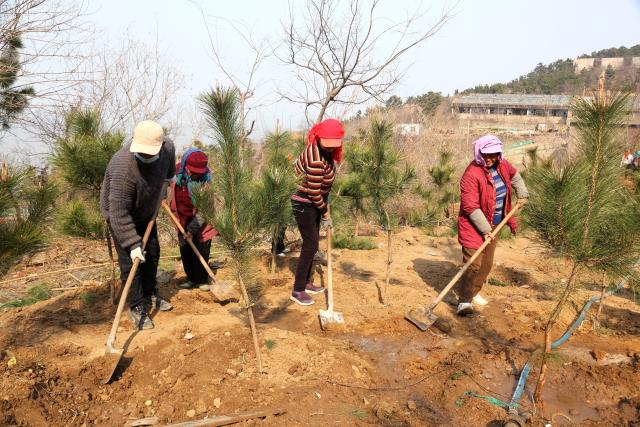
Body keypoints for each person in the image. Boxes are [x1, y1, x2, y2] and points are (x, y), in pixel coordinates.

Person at [100, 120, 176, 330]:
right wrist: (132, 245)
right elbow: (118, 214)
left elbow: (169, 170)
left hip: (146, 212)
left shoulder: (167, 147)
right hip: (121, 218)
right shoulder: (123, 169)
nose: (146, 156)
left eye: (151, 152)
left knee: (152, 254)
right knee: (131, 264)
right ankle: (136, 306)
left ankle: (150, 293)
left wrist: (169, 178)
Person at [457, 135, 528, 316]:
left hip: (496, 223)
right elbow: (470, 206)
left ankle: (474, 293)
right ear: (479, 153)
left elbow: (515, 176)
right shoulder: (471, 174)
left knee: (486, 265)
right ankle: (464, 301)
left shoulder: (503, 165)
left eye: (493, 154)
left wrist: (522, 193)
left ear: (499, 153)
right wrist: (485, 230)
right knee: (473, 264)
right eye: (486, 154)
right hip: (474, 226)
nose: (489, 158)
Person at [289, 118, 344, 306]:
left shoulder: (325, 152)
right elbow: (313, 191)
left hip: (316, 202)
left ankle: (306, 282)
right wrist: (326, 214)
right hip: (304, 203)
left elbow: (322, 188)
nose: (330, 148)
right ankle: (297, 290)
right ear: (319, 137)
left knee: (312, 244)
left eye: (333, 145)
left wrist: (324, 208)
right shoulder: (314, 159)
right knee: (311, 245)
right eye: (327, 144)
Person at [169, 148, 217, 291]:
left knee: (201, 249)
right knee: (186, 251)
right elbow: (166, 184)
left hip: (201, 221)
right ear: (184, 165)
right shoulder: (177, 172)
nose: (195, 175)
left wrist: (192, 229)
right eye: (192, 171)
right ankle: (191, 278)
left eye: (198, 173)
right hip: (181, 219)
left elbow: (205, 210)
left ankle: (201, 279)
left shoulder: (206, 179)